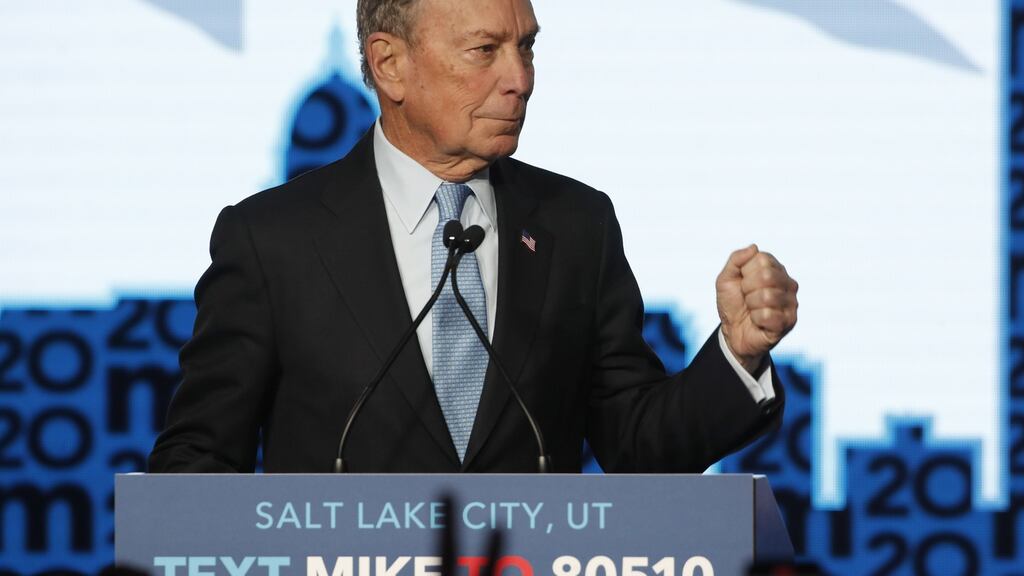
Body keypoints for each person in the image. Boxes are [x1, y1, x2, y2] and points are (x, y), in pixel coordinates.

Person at [148, 0, 799, 474]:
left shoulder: (576, 225)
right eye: (485, 50)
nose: (520, 79)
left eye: (528, 47)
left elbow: (635, 442)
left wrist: (737, 357)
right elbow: (199, 459)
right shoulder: (272, 241)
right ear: (390, 66)